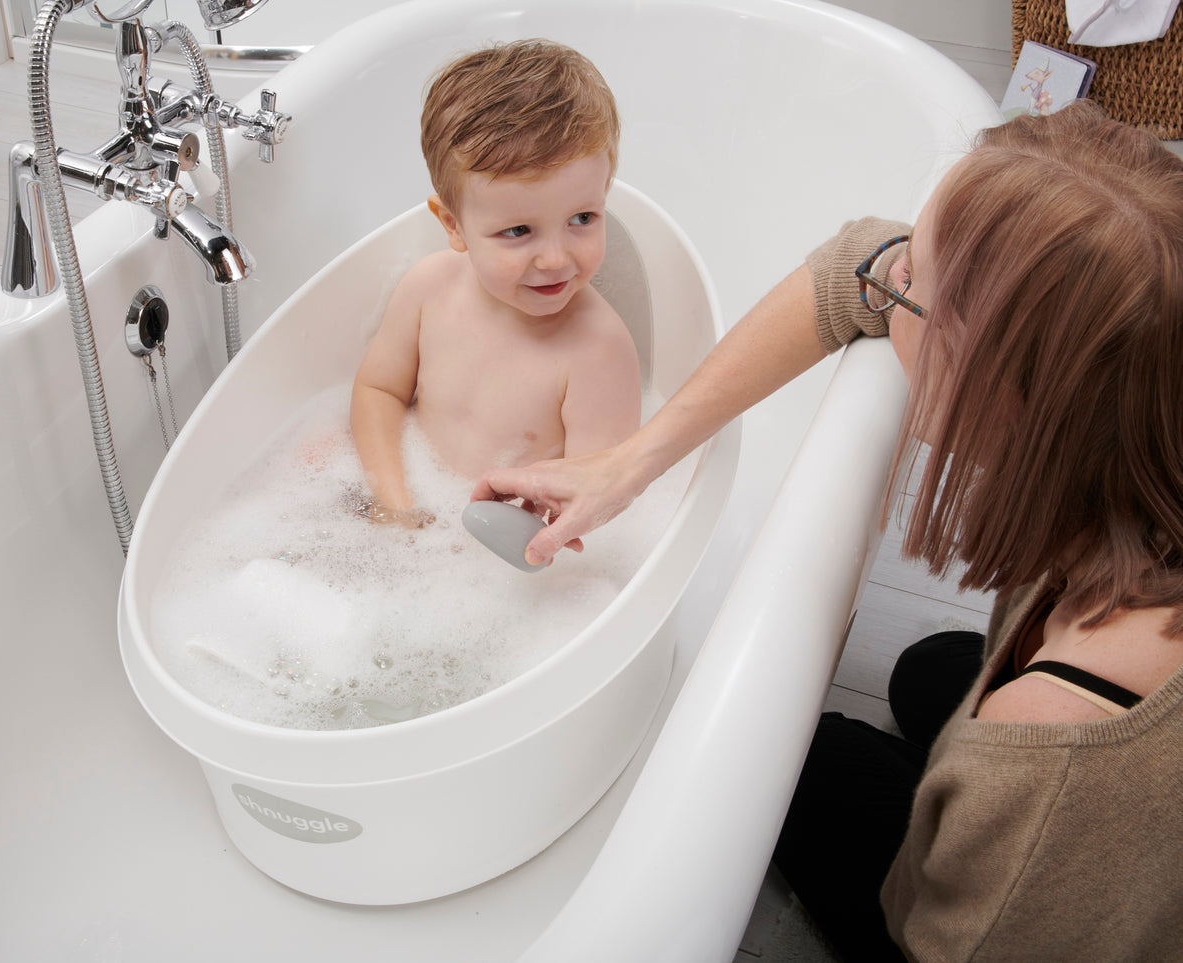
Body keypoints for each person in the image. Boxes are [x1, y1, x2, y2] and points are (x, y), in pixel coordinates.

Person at [473, 101, 1183, 960]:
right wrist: (629, 462)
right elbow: (853, 265)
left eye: (909, 290)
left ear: (992, 380)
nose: (883, 285)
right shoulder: (1143, 392)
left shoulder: (1059, 754)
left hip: (1028, 900)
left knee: (774, 769)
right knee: (929, 672)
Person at [350, 39, 640, 526]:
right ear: (453, 226)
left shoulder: (598, 351)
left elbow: (597, 502)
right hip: (418, 502)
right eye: (519, 231)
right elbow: (378, 390)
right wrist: (393, 499)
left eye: (583, 217)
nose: (555, 258)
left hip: (512, 551)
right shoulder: (429, 289)